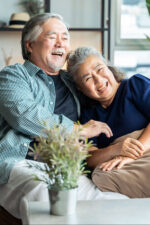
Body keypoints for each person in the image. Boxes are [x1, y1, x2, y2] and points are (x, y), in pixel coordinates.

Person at [0, 13, 126, 224]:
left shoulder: (74, 81)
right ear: (29, 45)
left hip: (68, 167)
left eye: (65, 37)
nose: (61, 43)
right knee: (46, 198)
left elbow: (107, 97)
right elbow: (24, 116)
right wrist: (79, 130)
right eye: (52, 36)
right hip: (21, 164)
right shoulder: (13, 76)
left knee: (114, 204)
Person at [67, 46, 150, 198]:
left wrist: (131, 154)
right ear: (80, 89)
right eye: (88, 78)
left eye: (100, 69)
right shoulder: (89, 116)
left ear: (109, 67)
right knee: (100, 176)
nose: (99, 80)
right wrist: (116, 150)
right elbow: (88, 159)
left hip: (144, 150)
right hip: (126, 166)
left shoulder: (134, 85)